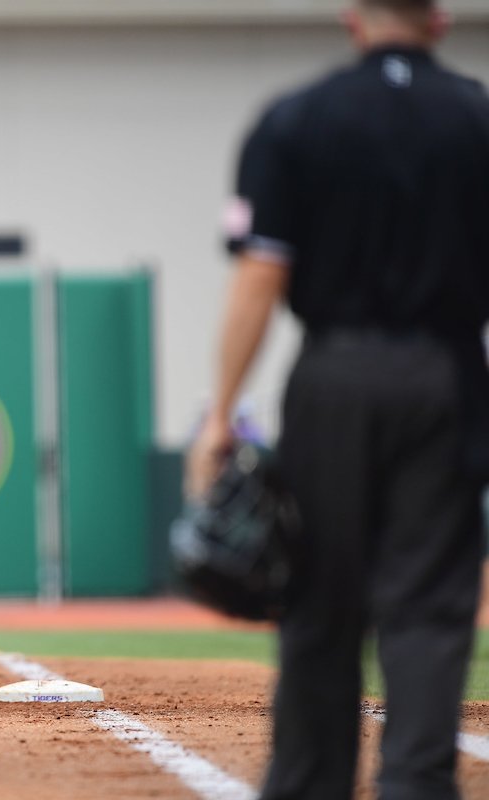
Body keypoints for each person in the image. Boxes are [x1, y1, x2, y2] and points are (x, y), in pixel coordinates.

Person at [186, 2, 489, 798]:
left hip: (335, 377)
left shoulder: (296, 118)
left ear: (353, 20)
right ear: (441, 21)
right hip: (448, 376)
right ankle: (418, 784)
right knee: (428, 606)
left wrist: (222, 412)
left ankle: (309, 783)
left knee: (321, 599)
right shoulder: (477, 119)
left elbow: (260, 274)